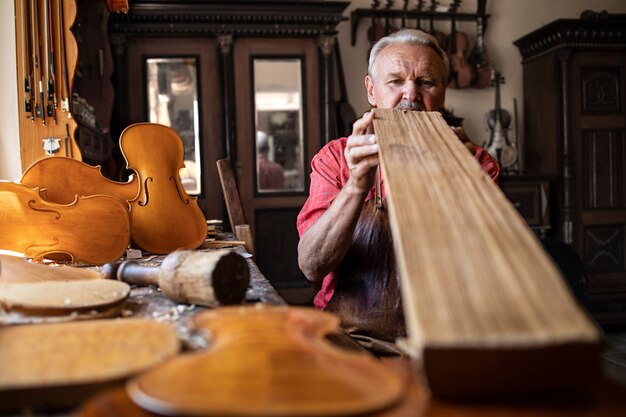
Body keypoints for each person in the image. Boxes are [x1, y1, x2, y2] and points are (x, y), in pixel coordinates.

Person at [296, 29, 500, 355]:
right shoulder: (335, 158)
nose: (411, 95)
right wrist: (356, 184)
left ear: (443, 93)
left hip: (443, 341)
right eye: (395, 81)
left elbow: (492, 273)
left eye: (426, 82)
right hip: (347, 339)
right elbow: (311, 266)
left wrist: (460, 181)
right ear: (371, 90)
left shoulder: (475, 161)